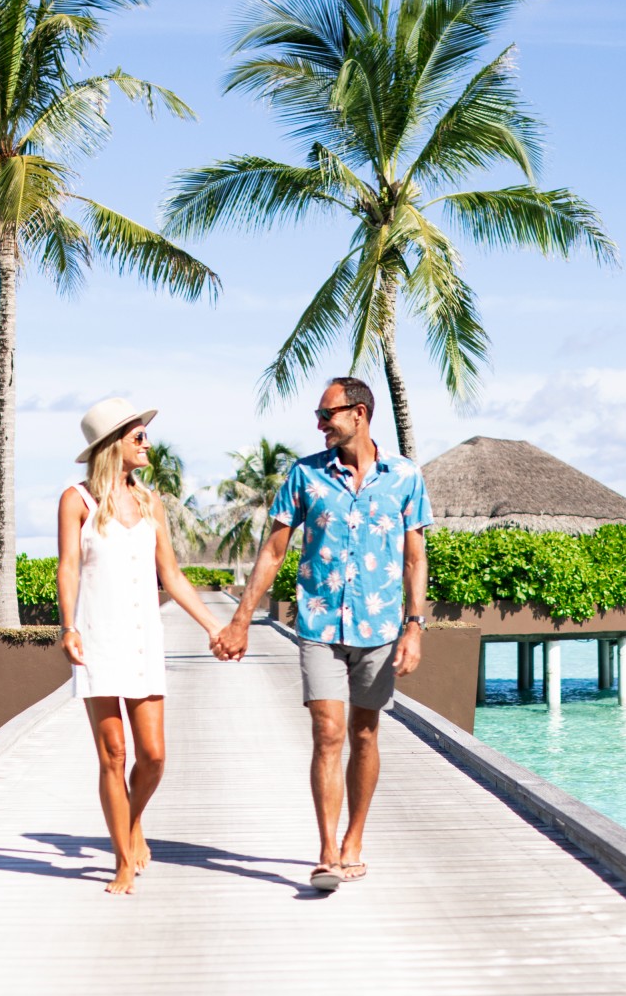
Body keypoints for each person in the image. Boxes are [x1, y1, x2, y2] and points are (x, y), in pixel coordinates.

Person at [214, 377, 431, 891]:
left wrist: (415, 627)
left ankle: (355, 840)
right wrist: (241, 619)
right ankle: (328, 852)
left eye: (325, 414)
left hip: (379, 627)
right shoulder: (305, 475)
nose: (319, 425)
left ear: (359, 413)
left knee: (365, 732)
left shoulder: (405, 477)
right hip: (319, 622)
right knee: (328, 732)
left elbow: (415, 558)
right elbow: (274, 551)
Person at [57, 397, 226, 895]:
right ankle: (122, 861)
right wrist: (68, 627)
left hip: (142, 640)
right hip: (96, 638)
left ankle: (131, 821)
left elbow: (170, 574)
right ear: (113, 444)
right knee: (113, 753)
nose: (147, 443)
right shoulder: (77, 500)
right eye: (138, 436)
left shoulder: (152, 503)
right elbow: (68, 568)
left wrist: (213, 626)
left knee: (152, 756)